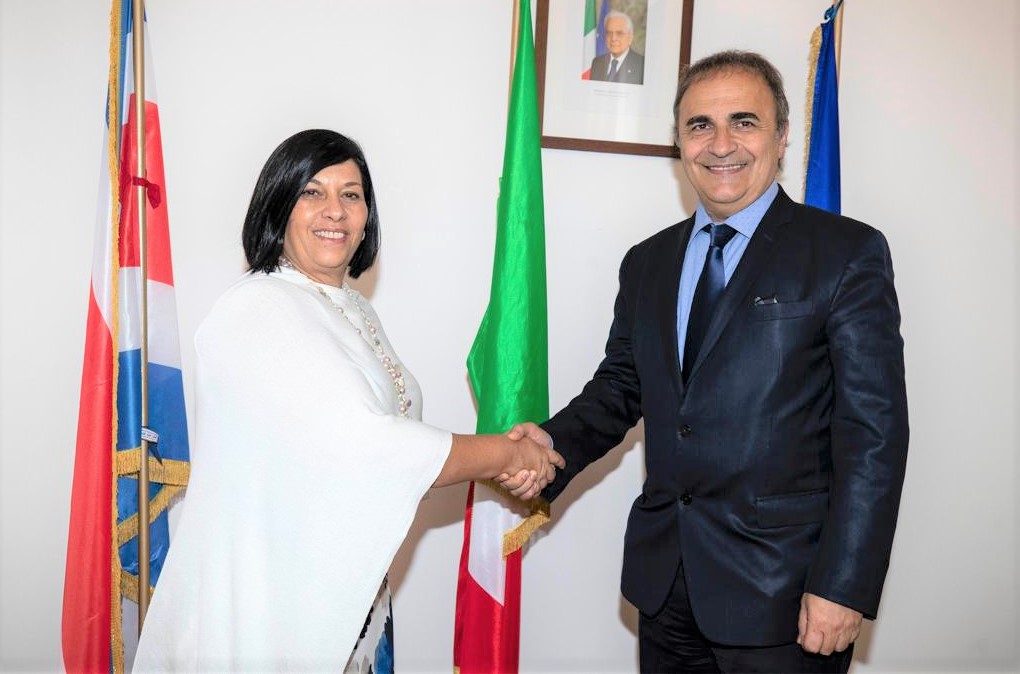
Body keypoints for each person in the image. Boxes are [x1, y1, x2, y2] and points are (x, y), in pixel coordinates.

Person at [512, 50, 908, 672]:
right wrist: (549, 445)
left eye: (744, 122)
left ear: (781, 136)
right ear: (679, 142)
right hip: (665, 587)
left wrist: (844, 585)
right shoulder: (646, 262)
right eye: (700, 125)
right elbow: (621, 386)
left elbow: (874, 435)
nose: (721, 144)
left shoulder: (845, 253)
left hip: (788, 597)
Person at [133, 129, 564, 673]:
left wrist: (506, 450)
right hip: (265, 607)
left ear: (367, 216)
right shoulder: (258, 308)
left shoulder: (352, 309)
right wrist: (507, 454)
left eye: (351, 194)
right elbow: (369, 446)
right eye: (311, 192)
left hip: (341, 598)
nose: (334, 211)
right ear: (278, 206)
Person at [589, 10, 645, 84]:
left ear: (630, 38)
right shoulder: (597, 63)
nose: (613, 38)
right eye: (609, 33)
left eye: (619, 33)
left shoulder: (642, 64)